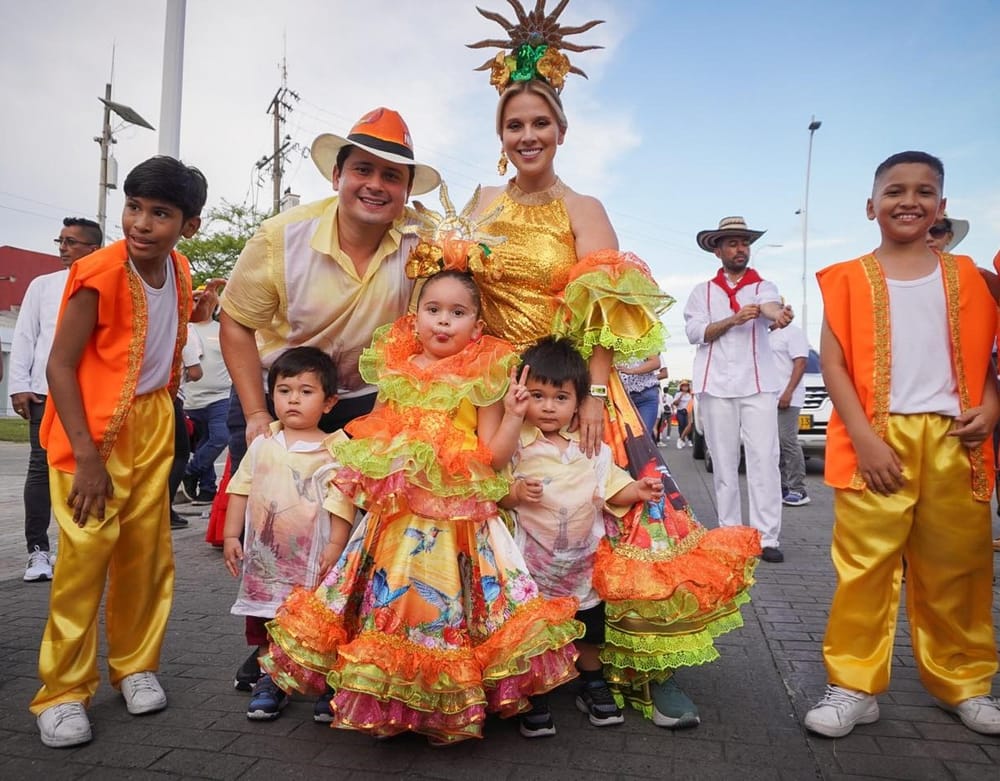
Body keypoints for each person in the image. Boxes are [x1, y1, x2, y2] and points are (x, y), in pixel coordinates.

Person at [467, 1, 761, 729]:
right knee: (488, 520)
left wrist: (597, 391)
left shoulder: (584, 206)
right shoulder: (475, 204)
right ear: (500, 134)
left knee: (633, 519)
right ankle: (489, 663)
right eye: (515, 124)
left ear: (561, 132)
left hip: (577, 387)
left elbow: (603, 309)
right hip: (495, 390)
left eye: (541, 123)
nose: (528, 135)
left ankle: (645, 669)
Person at [261, 265, 582, 744]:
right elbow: (373, 441)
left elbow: (493, 457)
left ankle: (472, 698)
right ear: (415, 318)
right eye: (433, 310)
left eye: (458, 313)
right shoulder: (397, 371)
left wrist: (515, 416)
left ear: (476, 325)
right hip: (397, 518)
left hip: (463, 520)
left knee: (468, 609)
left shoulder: (485, 375)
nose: (444, 322)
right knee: (389, 608)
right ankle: (376, 695)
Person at [218, 107, 439, 690]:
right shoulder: (280, 238)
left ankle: (343, 644)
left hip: (369, 403)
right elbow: (236, 323)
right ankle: (270, 648)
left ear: (407, 191)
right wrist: (257, 413)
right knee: (279, 525)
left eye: (392, 176)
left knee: (357, 533)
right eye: (363, 169)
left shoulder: (422, 246)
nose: (375, 185)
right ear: (336, 175)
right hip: (291, 396)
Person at [804, 150, 1000, 738]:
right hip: (876, 441)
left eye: (923, 191)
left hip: (954, 441)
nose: (908, 201)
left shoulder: (975, 279)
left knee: (958, 567)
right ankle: (855, 684)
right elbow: (833, 364)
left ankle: (964, 680)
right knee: (866, 566)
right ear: (871, 205)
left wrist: (992, 406)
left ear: (941, 205)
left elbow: (993, 362)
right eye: (894, 191)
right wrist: (863, 438)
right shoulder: (845, 279)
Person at [30, 156, 207, 748]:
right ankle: (61, 691)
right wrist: (86, 458)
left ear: (190, 225)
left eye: (161, 213)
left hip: (154, 422)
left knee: (145, 555)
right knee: (83, 558)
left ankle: (134, 666)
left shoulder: (181, 270)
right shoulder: (98, 273)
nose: (142, 223)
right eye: (134, 207)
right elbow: (60, 364)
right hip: (91, 432)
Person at [502, 336, 664, 737]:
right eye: (538, 395)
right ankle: (534, 692)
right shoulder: (517, 450)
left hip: (583, 569)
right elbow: (496, 493)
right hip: (533, 572)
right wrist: (517, 493)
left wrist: (637, 491)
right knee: (534, 631)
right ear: (521, 395)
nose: (549, 406)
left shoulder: (592, 449)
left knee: (590, 630)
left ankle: (592, 683)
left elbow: (612, 488)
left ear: (578, 403)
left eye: (560, 397)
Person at [222, 347, 353, 723]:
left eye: (306, 391)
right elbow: (240, 488)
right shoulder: (263, 443)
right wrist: (232, 535)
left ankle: (328, 683)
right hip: (268, 557)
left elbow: (343, 501)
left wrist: (336, 545)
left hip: (315, 557)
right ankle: (271, 681)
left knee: (321, 619)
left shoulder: (336, 449)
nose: (293, 398)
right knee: (268, 619)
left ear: (329, 403)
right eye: (284, 390)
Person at [684, 216, 793, 563]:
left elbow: (771, 307)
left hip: (758, 386)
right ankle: (729, 533)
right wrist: (733, 320)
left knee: (764, 460)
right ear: (717, 250)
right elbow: (696, 333)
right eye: (732, 243)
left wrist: (778, 316)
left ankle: (767, 538)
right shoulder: (702, 292)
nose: (740, 249)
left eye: (744, 242)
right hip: (715, 385)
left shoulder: (762, 286)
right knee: (724, 463)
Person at [10, 217, 101, 581]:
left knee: (88, 469)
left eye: (72, 242)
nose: (63, 248)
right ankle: (38, 551)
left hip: (92, 396)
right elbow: (25, 335)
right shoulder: (43, 286)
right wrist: (19, 383)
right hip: (46, 393)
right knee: (40, 468)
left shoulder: (104, 283)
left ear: (93, 249)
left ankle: (79, 546)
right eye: (60, 241)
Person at [181, 282, 230, 506]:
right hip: (190, 399)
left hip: (220, 397)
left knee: (220, 437)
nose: (199, 303)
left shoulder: (222, 329)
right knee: (202, 444)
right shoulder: (182, 328)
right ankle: (207, 489)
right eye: (195, 298)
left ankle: (191, 471)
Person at [769, 321, 811, 506]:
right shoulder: (766, 336)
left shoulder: (792, 332)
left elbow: (801, 362)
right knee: (773, 445)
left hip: (788, 398)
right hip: (769, 399)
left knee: (788, 441)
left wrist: (788, 391)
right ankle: (782, 487)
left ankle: (798, 490)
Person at [616, 353, 664, 435]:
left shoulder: (645, 340)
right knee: (624, 437)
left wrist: (632, 370)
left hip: (646, 395)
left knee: (643, 436)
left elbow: (655, 362)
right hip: (621, 396)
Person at [671, 380, 694, 449]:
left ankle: (690, 440)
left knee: (689, 425)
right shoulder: (678, 394)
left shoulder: (690, 394)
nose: (685, 387)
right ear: (681, 387)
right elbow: (675, 403)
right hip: (680, 411)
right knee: (682, 425)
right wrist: (680, 397)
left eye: (686, 386)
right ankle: (682, 440)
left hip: (688, 411)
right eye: (683, 386)